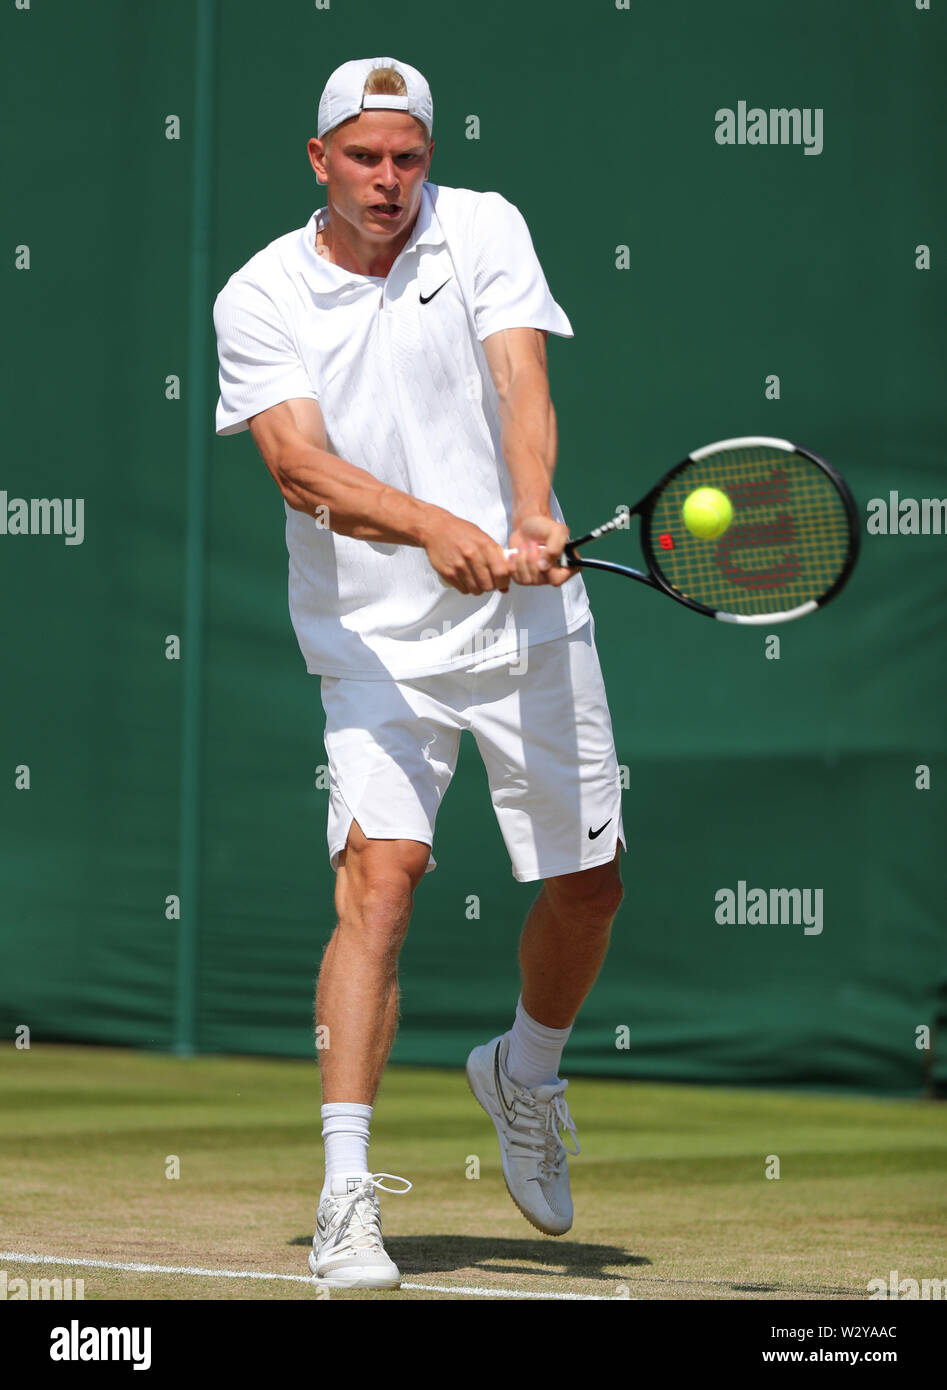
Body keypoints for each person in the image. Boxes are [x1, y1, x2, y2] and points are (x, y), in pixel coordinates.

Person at [213, 56, 625, 1291]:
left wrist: (532, 512)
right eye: (364, 157)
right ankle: (346, 1198)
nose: (389, 181)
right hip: (372, 645)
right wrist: (433, 526)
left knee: (590, 886)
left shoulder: (483, 226)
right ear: (318, 159)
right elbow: (298, 468)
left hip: (524, 626)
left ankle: (525, 1070)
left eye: (407, 157)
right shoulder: (258, 294)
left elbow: (518, 373)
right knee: (379, 881)